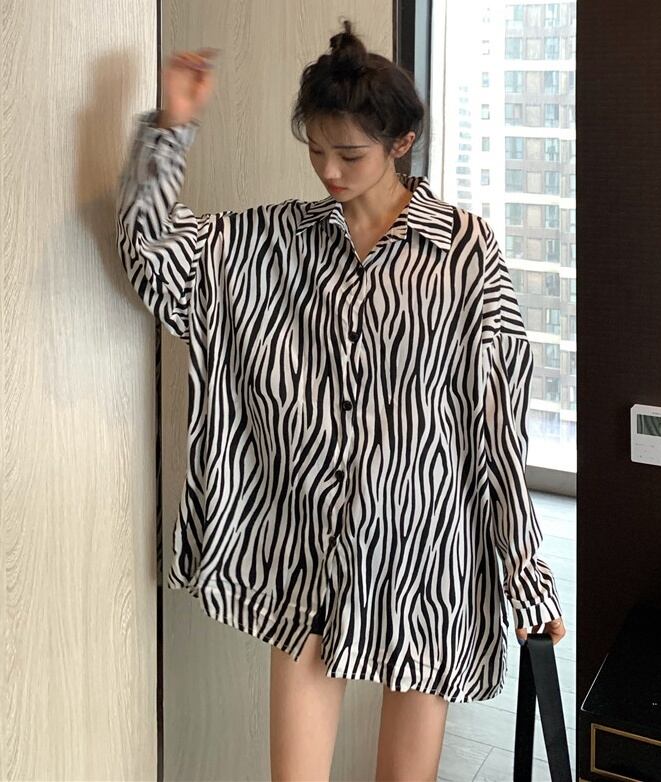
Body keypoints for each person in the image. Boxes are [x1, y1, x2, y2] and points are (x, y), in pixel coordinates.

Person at [117, 18, 566, 782]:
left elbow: (496, 423)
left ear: (401, 142)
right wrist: (171, 127)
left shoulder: (464, 251)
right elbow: (152, 255)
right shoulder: (277, 245)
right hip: (311, 553)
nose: (328, 169)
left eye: (349, 154)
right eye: (316, 149)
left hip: (429, 553)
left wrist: (524, 572)